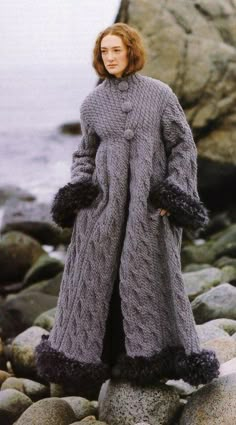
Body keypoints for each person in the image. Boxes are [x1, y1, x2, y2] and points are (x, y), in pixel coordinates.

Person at [34, 23, 220, 398]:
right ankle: (92, 362)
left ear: (131, 51)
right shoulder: (92, 103)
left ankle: (149, 359)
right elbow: (84, 154)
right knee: (97, 279)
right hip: (101, 211)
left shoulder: (160, 95)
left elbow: (183, 147)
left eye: (116, 50)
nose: (110, 57)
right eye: (104, 51)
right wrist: (79, 192)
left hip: (148, 212)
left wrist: (174, 194)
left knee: (145, 276)